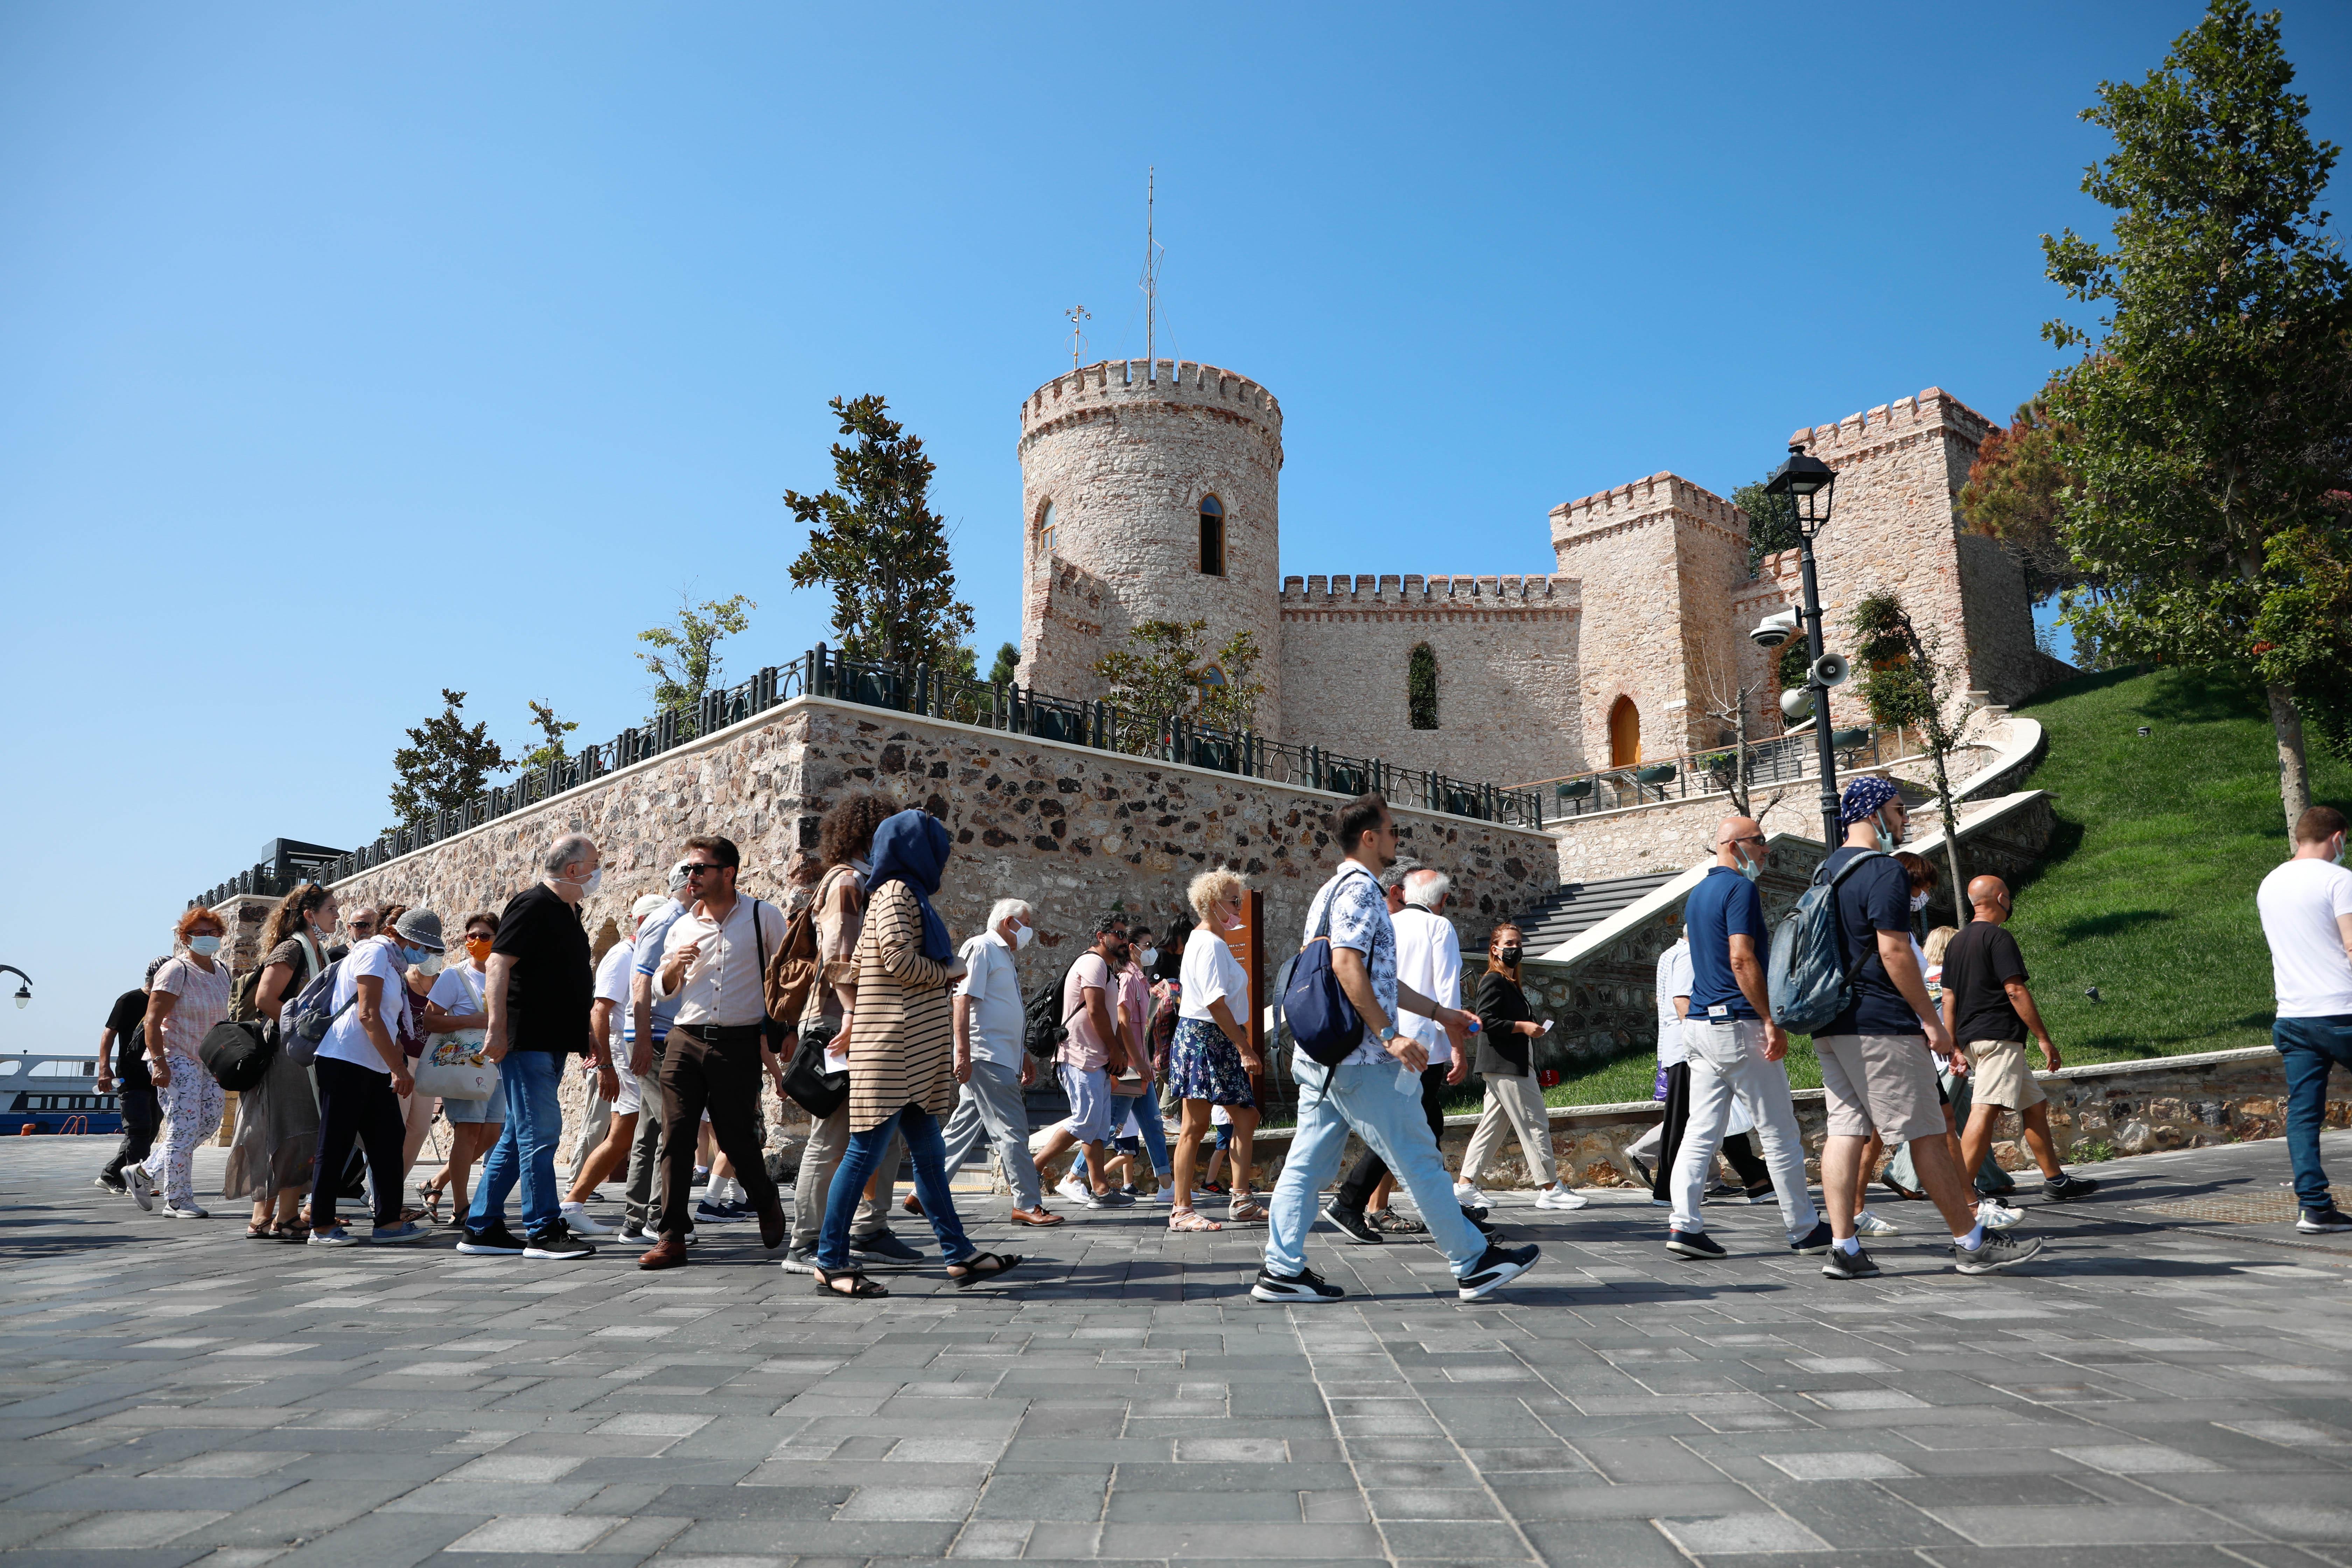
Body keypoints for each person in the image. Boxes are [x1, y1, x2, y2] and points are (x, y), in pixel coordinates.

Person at [1255, 794, 1541, 1304]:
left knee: (1305, 1163)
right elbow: (1346, 966)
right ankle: (1473, 1262)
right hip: (1362, 1062)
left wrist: (1440, 1013)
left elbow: (1377, 977)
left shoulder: (1330, 891)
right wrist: (1389, 1034)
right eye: (1390, 831)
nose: (1395, 840)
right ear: (1368, 838)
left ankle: (1281, 1270)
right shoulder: (1363, 892)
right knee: (1419, 1157)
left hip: (1325, 1057)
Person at [1813, 776, 2043, 1279]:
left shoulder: (1826, 871)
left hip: (1832, 1022)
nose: (1903, 818)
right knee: (1930, 1135)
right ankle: (1972, 1243)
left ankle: (1844, 1248)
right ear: (1874, 813)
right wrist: (1931, 1021)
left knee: (1845, 1131)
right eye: (1896, 809)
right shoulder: (1883, 872)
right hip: (1881, 1025)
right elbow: (1894, 951)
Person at [812, 809, 1022, 1297]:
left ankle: (960, 1256)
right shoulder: (895, 894)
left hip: (912, 1050)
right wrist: (948, 972)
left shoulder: (906, 895)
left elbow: (872, 964)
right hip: (892, 1050)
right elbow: (897, 961)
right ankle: (830, 1260)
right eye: (937, 848)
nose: (942, 858)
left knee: (929, 1157)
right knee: (863, 1155)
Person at [1661, 816, 1831, 1260]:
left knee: (1700, 1131)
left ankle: (1684, 1223)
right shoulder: (1740, 889)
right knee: (1778, 1129)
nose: (1766, 850)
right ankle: (1804, 1228)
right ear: (1734, 846)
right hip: (1738, 1024)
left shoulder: (1698, 894)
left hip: (1699, 1026)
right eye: (1759, 842)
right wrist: (1769, 1018)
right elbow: (1742, 958)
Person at [636, 835, 791, 1269]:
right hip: (685, 1039)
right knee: (677, 1138)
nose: (692, 877)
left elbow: (787, 976)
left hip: (739, 1041)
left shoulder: (763, 915)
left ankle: (765, 1198)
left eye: (699, 869)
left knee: (739, 1140)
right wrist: (674, 967)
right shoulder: (682, 924)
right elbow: (666, 991)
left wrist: (788, 1031)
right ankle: (672, 1236)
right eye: (688, 869)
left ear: (729, 872)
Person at [458, 833, 613, 1261]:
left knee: (517, 1134)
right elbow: (498, 963)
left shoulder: (568, 910)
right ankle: (543, 1229)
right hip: (528, 1041)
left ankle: (483, 1225)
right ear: (573, 870)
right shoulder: (533, 904)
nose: (600, 870)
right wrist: (496, 1028)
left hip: (553, 1041)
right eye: (595, 863)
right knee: (541, 1133)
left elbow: (566, 980)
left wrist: (586, 1035)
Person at [783, 794, 914, 1270]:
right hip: (843, 1023)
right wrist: (856, 1019)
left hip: (864, 1021)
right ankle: (807, 1239)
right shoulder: (845, 884)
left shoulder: (866, 883)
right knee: (835, 1134)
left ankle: (869, 1227)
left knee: (882, 1131)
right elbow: (840, 959)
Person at [1943, 874, 2100, 1208]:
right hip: (2000, 1037)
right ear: (2000, 899)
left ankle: (2056, 1182)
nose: (2010, 902)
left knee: (2034, 1105)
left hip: (1973, 1040)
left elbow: (1948, 998)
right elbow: (2014, 990)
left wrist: (1955, 1046)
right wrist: (2044, 1039)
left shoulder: (1955, 943)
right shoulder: (1998, 938)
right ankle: (1962, 1196)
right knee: (1984, 1110)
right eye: (2009, 897)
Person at [305, 908, 440, 1246]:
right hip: (346, 1059)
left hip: (373, 1064)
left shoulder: (394, 965)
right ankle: (320, 1225)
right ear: (397, 933)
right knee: (335, 1143)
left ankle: (389, 1222)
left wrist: (393, 1064)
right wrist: (399, 1067)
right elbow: (367, 1014)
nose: (422, 953)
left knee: (387, 1141)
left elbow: (387, 1018)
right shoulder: (374, 952)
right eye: (419, 944)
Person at [937, 898, 1060, 1229]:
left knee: (963, 1127)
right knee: (1012, 1131)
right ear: (1008, 922)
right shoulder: (981, 947)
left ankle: (925, 1191)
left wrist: (1022, 1054)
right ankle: (1028, 1204)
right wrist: (961, 1051)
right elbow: (962, 999)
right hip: (986, 1054)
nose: (1031, 930)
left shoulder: (1002, 954)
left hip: (1000, 1056)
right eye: (1027, 922)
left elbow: (1005, 1010)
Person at [224, 882, 338, 1239]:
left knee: (293, 1131)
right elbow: (266, 999)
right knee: (292, 1130)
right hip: (287, 1055)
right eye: (331, 909)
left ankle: (272, 1217)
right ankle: (280, 1217)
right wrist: (303, 1034)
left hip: (300, 1054)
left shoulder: (317, 950)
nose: (337, 914)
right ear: (309, 915)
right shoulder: (292, 949)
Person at [554, 895, 670, 1238]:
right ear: (642, 923)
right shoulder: (623, 957)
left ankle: (576, 1205)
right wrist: (605, 1065)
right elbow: (599, 1012)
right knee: (635, 1133)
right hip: (625, 1055)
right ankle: (582, 1205)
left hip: (630, 1054)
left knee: (625, 1136)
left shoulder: (643, 956)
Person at [2259, 805, 2352, 1233]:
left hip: (2294, 1014)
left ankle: (2314, 1207)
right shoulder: (2339, 879)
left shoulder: (2270, 883)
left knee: (2303, 1115)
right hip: (2341, 1010)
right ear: (2337, 838)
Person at [1166, 869, 1265, 1232]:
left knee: (1245, 1117)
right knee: (1195, 1125)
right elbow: (1214, 1002)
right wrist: (1244, 1047)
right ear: (1211, 903)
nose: (1239, 906)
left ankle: (1241, 1199)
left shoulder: (1209, 940)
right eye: (1233, 900)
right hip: (1207, 1036)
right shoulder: (1209, 943)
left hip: (1214, 1036)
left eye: (1239, 899)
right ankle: (1181, 1209)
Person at [122, 908, 236, 1218]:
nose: (207, 938)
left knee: (209, 1123)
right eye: (199, 933)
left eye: (213, 933)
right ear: (185, 937)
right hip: (176, 1057)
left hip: (208, 1060)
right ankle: (178, 1199)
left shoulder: (223, 971)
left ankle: (144, 1172)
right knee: (183, 1128)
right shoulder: (176, 970)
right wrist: (159, 1063)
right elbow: (153, 1020)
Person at [1456, 922, 1572, 1209]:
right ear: (1495, 950)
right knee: (1535, 1123)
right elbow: (1486, 1021)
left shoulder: (1510, 983)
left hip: (1508, 1064)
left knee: (1492, 1126)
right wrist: (1523, 1027)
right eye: (1509, 944)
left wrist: (1529, 1029)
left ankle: (1465, 1185)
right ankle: (1549, 1188)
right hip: (1506, 1065)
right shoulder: (1493, 980)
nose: (1515, 949)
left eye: (1518, 945)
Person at [1035, 914, 1143, 1211]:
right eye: (1118, 935)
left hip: (1095, 1058)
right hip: (1081, 1057)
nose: (1124, 941)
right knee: (1085, 1121)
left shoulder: (1104, 968)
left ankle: (1101, 1189)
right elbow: (1095, 1011)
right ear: (1101, 936)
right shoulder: (1094, 964)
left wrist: (1115, 1052)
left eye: (1124, 935)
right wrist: (1116, 1051)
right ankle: (1034, 1166)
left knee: (1096, 1128)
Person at [621, 861, 691, 1242]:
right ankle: (660, 1217)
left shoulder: (674, 918)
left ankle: (636, 1219)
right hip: (656, 1036)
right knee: (674, 1124)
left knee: (650, 1128)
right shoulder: (668, 920)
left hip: (657, 1034)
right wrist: (644, 1038)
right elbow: (642, 979)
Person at [419, 911, 503, 1224]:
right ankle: (461, 1207)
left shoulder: (505, 974)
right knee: (468, 1132)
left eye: (484, 936)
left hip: (498, 1064)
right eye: (472, 936)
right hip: (466, 1064)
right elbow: (430, 1019)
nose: (477, 942)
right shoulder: (455, 976)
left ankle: (436, 1184)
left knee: (492, 1133)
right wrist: (475, 1020)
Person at [94, 958, 166, 1197]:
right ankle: (137, 1181)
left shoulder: (170, 1002)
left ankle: (111, 1175)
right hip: (131, 1076)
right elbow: (109, 1034)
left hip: (157, 1076)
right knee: (138, 1129)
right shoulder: (130, 1000)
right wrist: (104, 1069)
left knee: (151, 1129)